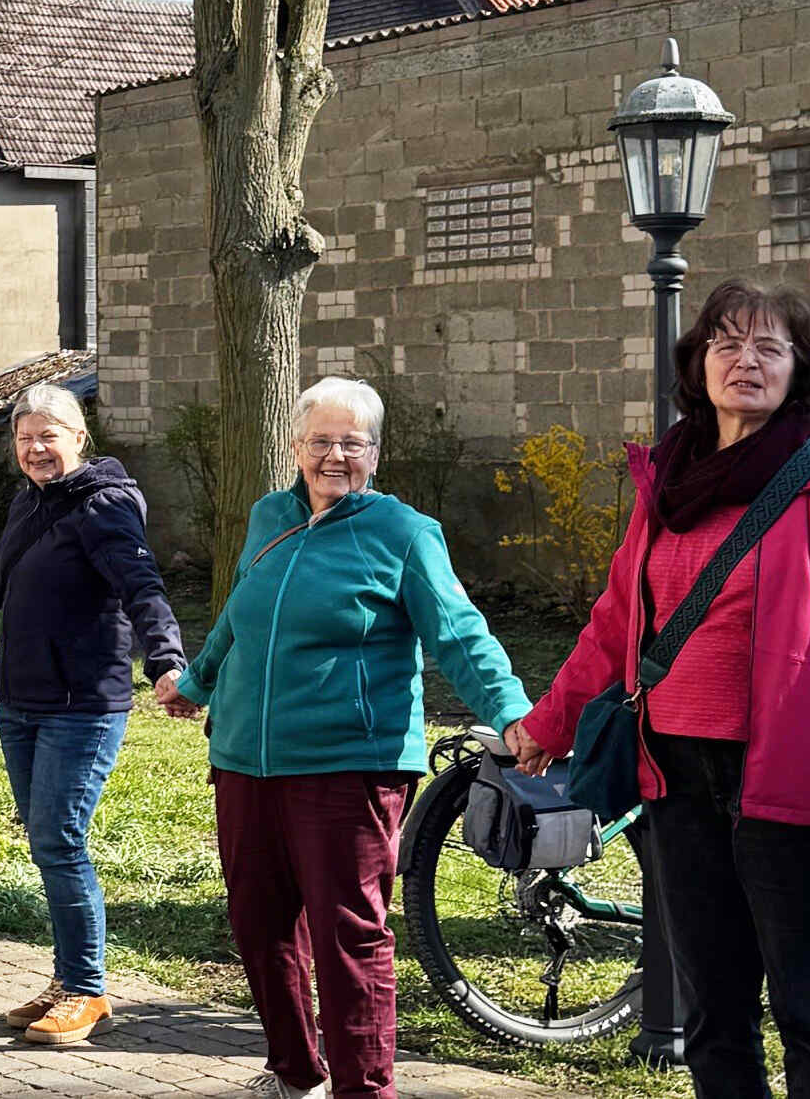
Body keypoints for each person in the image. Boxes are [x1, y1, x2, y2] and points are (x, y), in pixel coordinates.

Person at [510, 280, 810, 1099]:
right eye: (726, 343)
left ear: (798, 371)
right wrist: (549, 721)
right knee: (714, 1008)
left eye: (769, 347)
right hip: (674, 774)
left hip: (793, 776)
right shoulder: (667, 486)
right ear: (698, 364)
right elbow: (615, 624)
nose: (746, 361)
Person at [155, 376, 530, 1099]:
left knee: (348, 938)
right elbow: (240, 611)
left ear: (375, 454)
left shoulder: (404, 534)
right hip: (244, 757)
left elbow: (460, 635)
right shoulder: (270, 516)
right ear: (294, 447)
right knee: (259, 926)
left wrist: (511, 711)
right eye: (320, 441)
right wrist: (197, 681)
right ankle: (296, 1072)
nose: (335, 457)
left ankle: (365, 1089)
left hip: (347, 763)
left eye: (351, 444)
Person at [0, 383, 184, 1046]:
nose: (35, 448)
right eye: (24, 437)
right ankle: (68, 980)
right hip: (23, 704)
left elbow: (141, 585)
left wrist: (167, 663)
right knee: (46, 841)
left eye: (48, 435)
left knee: (59, 839)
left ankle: (87, 990)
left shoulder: (106, 507)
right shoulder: (29, 504)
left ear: (79, 439)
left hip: (81, 706)